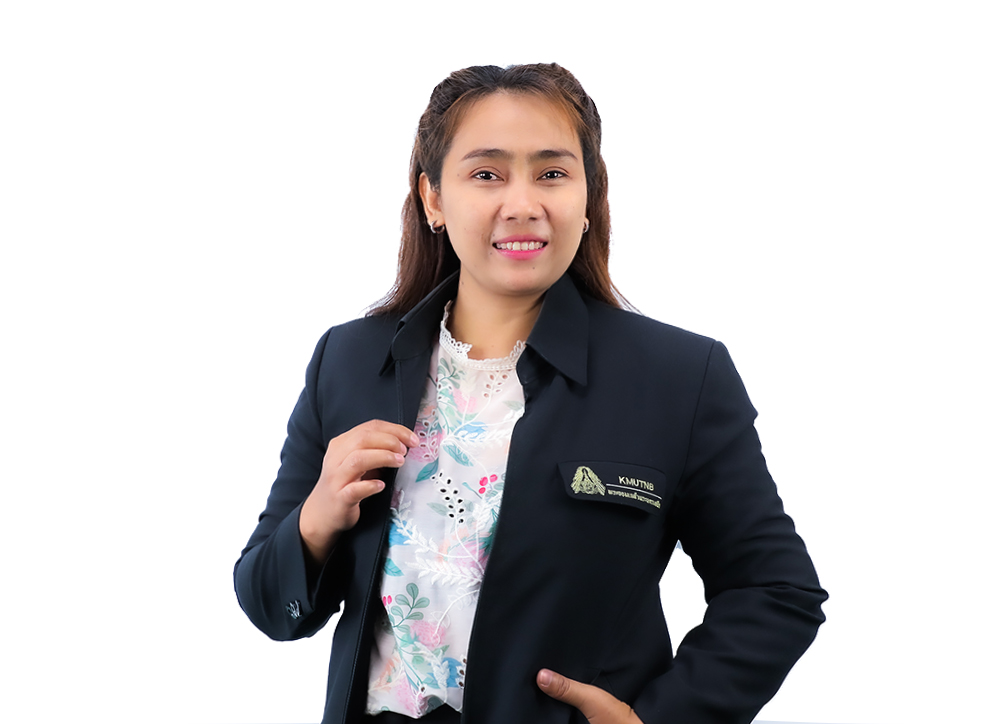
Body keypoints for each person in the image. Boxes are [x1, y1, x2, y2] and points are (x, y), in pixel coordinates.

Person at [234, 63, 827, 724]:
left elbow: (775, 589)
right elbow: (268, 605)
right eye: (487, 174)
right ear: (433, 198)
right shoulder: (348, 362)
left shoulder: (679, 377)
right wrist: (318, 517)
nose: (522, 204)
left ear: (589, 194)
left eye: (551, 173)